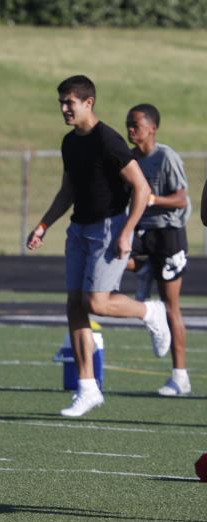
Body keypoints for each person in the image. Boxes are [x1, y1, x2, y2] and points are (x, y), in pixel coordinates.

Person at [26, 76, 171, 417]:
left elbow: (140, 187)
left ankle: (151, 311)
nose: (64, 108)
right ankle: (87, 388)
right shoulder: (69, 143)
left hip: (109, 228)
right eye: (62, 102)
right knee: (74, 305)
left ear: (88, 103)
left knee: (97, 304)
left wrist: (127, 233)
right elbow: (67, 192)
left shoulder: (108, 140)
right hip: (79, 230)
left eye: (69, 103)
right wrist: (44, 225)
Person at [123, 104, 192, 396]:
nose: (130, 129)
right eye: (128, 124)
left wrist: (151, 198)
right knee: (113, 257)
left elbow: (180, 199)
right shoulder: (130, 159)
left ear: (152, 127)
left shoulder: (165, 156)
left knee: (170, 305)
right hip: (142, 231)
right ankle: (145, 271)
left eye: (135, 125)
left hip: (168, 234)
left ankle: (180, 376)